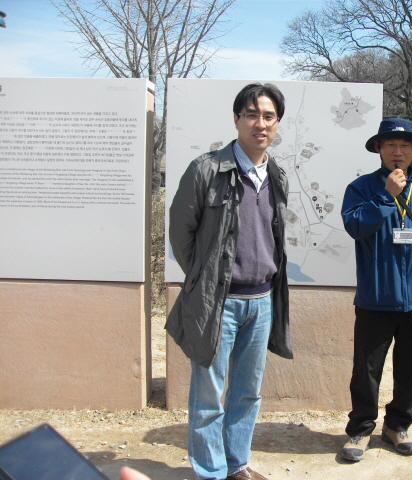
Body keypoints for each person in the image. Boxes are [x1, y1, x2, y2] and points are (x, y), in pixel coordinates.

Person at [166, 83, 292, 480]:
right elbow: (181, 234)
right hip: (218, 303)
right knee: (208, 396)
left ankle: (237, 464)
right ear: (237, 119)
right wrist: (206, 279)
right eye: (251, 114)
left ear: (277, 123)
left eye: (268, 116)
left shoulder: (277, 174)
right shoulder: (206, 169)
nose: (260, 123)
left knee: (247, 392)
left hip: (262, 301)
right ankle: (210, 472)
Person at [340, 118, 412, 462]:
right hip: (375, 297)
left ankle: (397, 426)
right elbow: (355, 226)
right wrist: (386, 196)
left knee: (410, 369)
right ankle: (361, 429)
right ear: (379, 148)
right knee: (366, 370)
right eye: (390, 144)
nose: (398, 151)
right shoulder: (361, 188)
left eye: (405, 145)